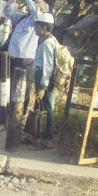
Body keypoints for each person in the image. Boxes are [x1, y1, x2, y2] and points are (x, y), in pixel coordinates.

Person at [3, 0, 48, 113]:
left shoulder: (38, 20)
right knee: (10, 86)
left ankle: (20, 114)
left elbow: (36, 12)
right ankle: (9, 112)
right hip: (12, 57)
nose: (31, 7)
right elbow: (7, 11)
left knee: (23, 88)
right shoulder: (23, 18)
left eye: (35, 5)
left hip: (25, 60)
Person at [32, 12, 57, 150]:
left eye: (37, 26)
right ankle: (37, 135)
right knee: (40, 106)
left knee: (47, 108)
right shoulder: (45, 40)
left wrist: (42, 86)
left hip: (45, 79)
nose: (35, 28)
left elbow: (48, 67)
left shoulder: (47, 44)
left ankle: (48, 139)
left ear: (44, 28)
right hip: (41, 77)